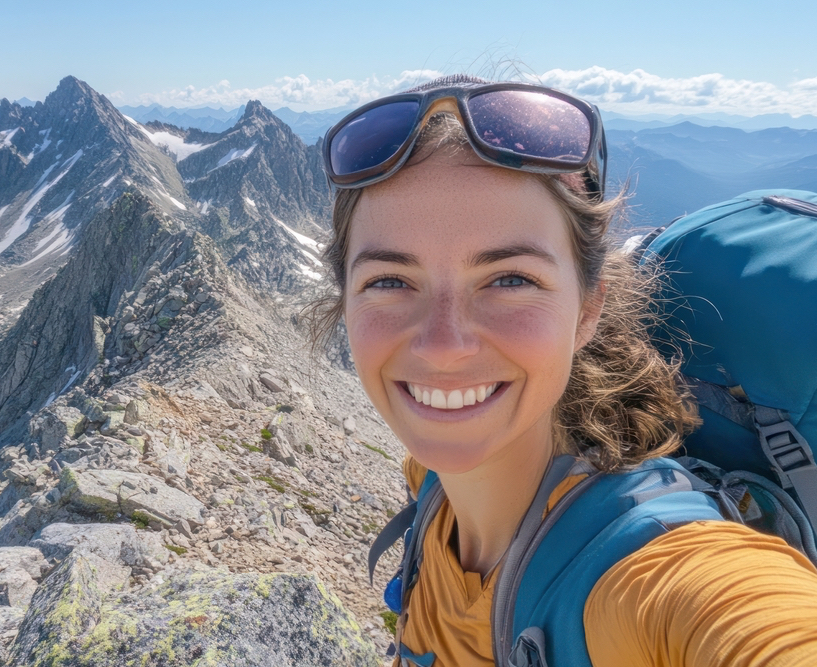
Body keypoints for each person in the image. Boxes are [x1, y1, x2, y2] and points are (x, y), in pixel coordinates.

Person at [309, 74, 817, 666]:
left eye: (510, 279)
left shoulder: (658, 570)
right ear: (345, 301)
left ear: (588, 310)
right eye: (390, 281)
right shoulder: (430, 476)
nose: (443, 346)